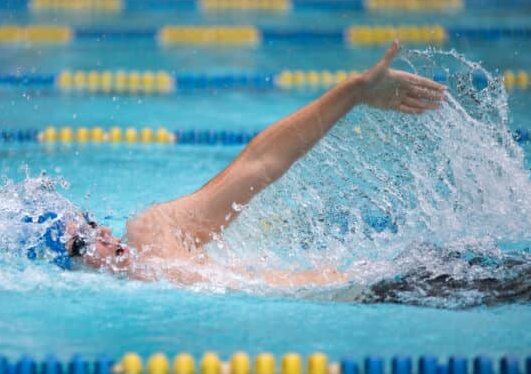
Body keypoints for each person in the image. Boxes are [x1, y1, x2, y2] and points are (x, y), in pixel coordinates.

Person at [38, 41, 446, 289]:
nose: (104, 233)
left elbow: (258, 164)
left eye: (91, 224)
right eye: (83, 243)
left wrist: (353, 93)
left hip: (396, 281)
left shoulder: (152, 234)